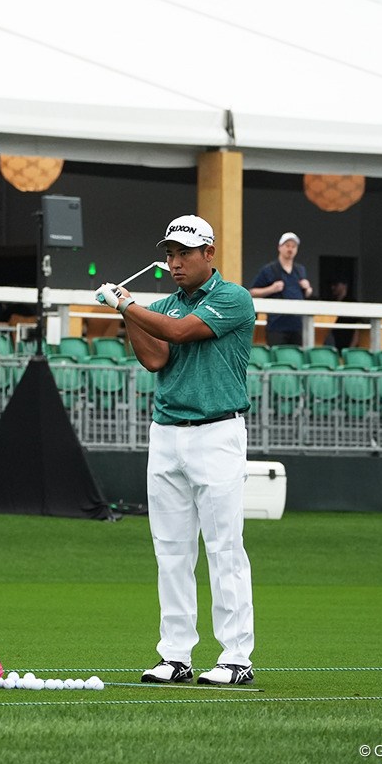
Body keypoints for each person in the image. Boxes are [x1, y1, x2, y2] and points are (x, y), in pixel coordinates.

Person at [96, 214, 256, 686]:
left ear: (209, 253)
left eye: (185, 253)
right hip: (166, 433)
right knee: (171, 550)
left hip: (217, 433)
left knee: (225, 548)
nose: (175, 261)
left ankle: (236, 656)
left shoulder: (233, 298)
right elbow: (155, 357)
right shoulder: (164, 303)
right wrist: (129, 313)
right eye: (169, 253)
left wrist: (126, 302)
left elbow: (180, 332)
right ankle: (176, 654)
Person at [249, 231, 313, 346]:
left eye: (293, 246)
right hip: (277, 325)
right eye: (287, 245)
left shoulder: (300, 270)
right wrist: (271, 289)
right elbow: (252, 292)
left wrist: (308, 289)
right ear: (280, 247)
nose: (290, 249)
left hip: (297, 324)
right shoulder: (269, 269)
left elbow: (306, 294)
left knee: (297, 357)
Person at [323, 278, 358, 350]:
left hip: (347, 342)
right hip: (334, 343)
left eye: (336, 285)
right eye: (332, 285)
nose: (333, 288)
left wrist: (351, 348)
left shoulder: (352, 303)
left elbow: (357, 327)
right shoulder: (331, 303)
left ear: (344, 285)